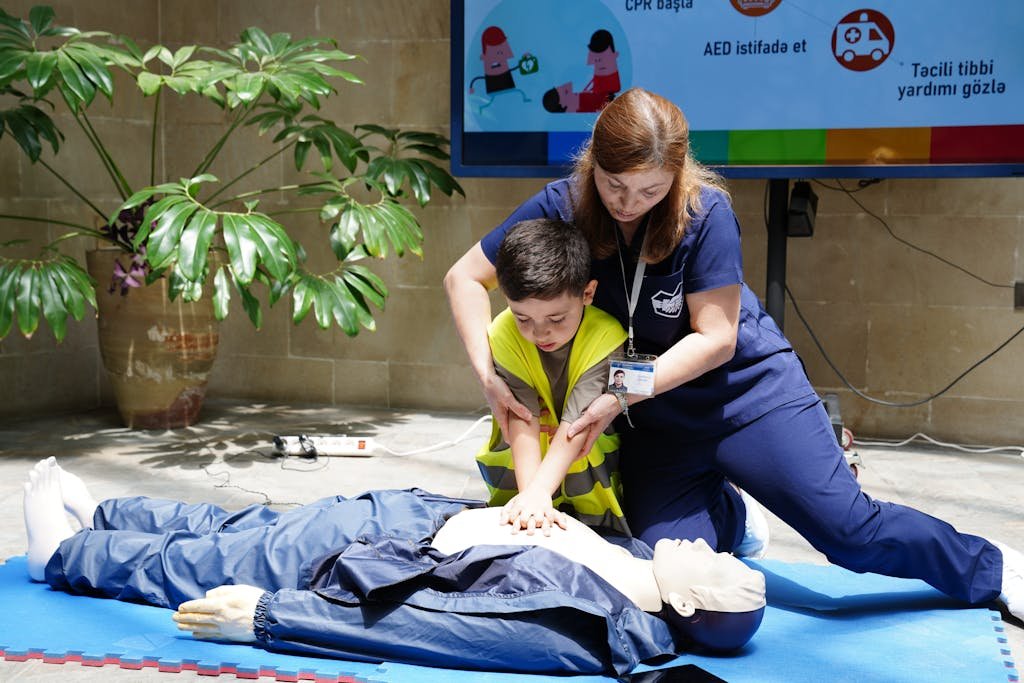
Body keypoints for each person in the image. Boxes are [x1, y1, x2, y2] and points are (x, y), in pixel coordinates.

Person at [443, 86, 1024, 621]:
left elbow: (716, 339)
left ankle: (991, 567)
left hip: (743, 394)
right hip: (655, 420)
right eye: (614, 184)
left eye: (650, 189)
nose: (629, 202)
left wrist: (618, 391)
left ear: (677, 173)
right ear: (592, 162)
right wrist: (487, 374)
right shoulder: (563, 202)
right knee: (667, 569)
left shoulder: (706, 213)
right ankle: (735, 515)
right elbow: (464, 278)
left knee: (848, 533)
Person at [22, 457, 766, 676]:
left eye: (720, 569)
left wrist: (272, 619)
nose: (707, 549)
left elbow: (434, 629)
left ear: (693, 608)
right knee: (246, 527)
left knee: (215, 560)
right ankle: (109, 515)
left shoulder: (584, 626)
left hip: (378, 561)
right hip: (412, 514)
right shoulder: (639, 563)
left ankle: (61, 555)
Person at [478, 217, 631, 535]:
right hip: (530, 458)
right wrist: (530, 499)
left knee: (600, 533)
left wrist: (537, 493)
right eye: (522, 317)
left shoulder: (607, 336)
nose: (539, 332)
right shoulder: (503, 332)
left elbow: (579, 422)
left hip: (584, 455)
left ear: (587, 294)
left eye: (557, 318)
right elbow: (521, 415)